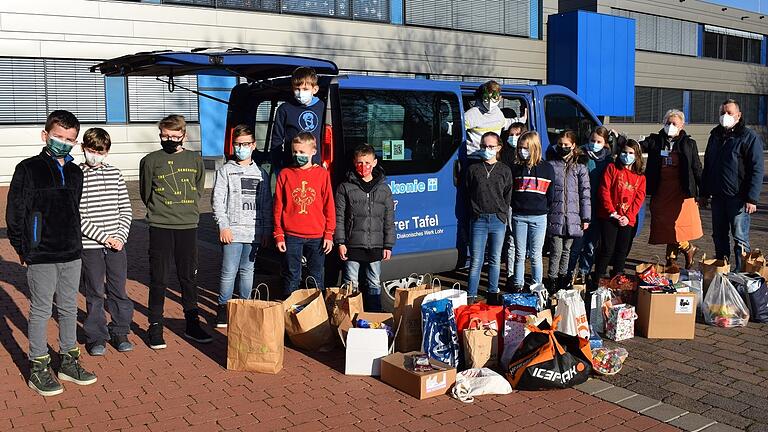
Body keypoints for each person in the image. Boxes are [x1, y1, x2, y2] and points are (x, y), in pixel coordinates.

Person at [6, 110, 97, 396]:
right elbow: (16, 211)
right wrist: (23, 246)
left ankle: (69, 361)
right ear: (46, 135)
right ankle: (38, 366)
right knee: (41, 309)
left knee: (69, 307)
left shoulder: (74, 171)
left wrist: (76, 243)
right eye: (58, 137)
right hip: (41, 253)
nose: (63, 142)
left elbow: (74, 208)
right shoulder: (28, 168)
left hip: (71, 250)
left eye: (70, 139)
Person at [139, 114, 211, 349]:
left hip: (187, 226)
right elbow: (145, 192)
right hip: (160, 225)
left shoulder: (194, 160)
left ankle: (192, 323)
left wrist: (186, 210)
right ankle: (155, 326)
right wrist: (159, 212)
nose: (169, 139)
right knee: (158, 278)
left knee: (188, 277)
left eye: (174, 136)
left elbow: (197, 188)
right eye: (164, 135)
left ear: (183, 135)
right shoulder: (150, 160)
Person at [79, 128, 135, 356]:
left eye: (100, 151)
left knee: (118, 289)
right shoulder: (77, 174)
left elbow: (126, 209)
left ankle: (120, 330)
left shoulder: (115, 174)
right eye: (91, 150)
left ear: (107, 151)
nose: (95, 155)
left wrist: (120, 237)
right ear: (83, 148)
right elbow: (77, 216)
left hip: (116, 246)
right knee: (93, 291)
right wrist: (103, 237)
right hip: (90, 245)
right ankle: (96, 336)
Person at [211, 125, 273, 328]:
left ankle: (244, 305)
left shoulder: (261, 174)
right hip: (232, 231)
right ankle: (223, 307)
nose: (242, 148)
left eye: (246, 144)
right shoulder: (226, 171)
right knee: (229, 271)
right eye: (238, 144)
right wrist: (223, 226)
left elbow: (266, 204)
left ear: (253, 145)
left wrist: (265, 230)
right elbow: (217, 201)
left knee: (248, 271)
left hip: (253, 232)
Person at [700, 99, 765, 271]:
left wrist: (752, 198)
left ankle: (742, 272)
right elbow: (708, 165)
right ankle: (722, 268)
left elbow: (756, 169)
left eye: (729, 113)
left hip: (739, 198)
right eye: (722, 113)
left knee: (740, 237)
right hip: (718, 197)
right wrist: (704, 193)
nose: (725, 116)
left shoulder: (748, 137)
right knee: (719, 236)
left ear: (738, 115)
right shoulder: (715, 136)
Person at [335, 144, 395, 312]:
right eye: (360, 163)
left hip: (376, 245)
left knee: (374, 281)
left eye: (367, 163)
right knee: (351, 282)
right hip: (352, 243)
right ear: (354, 163)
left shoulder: (384, 189)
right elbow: (339, 217)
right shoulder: (345, 187)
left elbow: (389, 219)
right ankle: (349, 315)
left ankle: (373, 315)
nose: (364, 167)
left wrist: (388, 245)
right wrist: (340, 242)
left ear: (374, 163)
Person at [274, 132, 335, 294]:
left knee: (316, 276)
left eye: (302, 152)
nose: (297, 155)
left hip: (317, 235)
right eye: (295, 152)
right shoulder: (285, 174)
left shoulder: (322, 175)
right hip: (292, 235)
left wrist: (329, 233)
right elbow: (278, 206)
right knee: (292, 276)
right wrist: (278, 233)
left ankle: (317, 315)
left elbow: (329, 205)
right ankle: (289, 313)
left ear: (313, 152)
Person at [641, 109, 703, 269]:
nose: (670, 126)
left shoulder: (689, 144)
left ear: (682, 125)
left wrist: (702, 191)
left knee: (676, 226)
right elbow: (637, 147)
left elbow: (696, 167)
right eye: (668, 123)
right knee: (665, 224)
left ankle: (671, 260)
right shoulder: (655, 140)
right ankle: (688, 248)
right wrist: (619, 140)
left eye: (674, 123)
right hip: (661, 190)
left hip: (681, 192)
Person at [464, 132, 513, 304]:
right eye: (484, 146)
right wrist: (474, 212)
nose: (487, 149)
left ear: (499, 147)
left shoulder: (505, 170)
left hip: (497, 220)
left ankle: (492, 293)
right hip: (479, 219)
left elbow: (507, 195)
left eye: (491, 146)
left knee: (495, 258)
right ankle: (471, 295)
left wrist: (502, 215)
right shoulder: (473, 169)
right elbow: (467, 192)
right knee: (476, 259)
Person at [546, 130, 591, 292]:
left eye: (566, 145)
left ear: (573, 145)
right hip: (555, 214)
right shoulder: (551, 164)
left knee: (567, 250)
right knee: (556, 251)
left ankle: (563, 279)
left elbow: (585, 193)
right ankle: (551, 279)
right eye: (560, 145)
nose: (563, 147)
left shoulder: (580, 166)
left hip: (574, 216)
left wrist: (586, 218)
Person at [509, 131, 554, 292]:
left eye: (526, 148)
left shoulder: (547, 168)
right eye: (520, 148)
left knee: (536, 255)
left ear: (534, 147)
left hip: (539, 217)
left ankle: (537, 286)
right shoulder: (515, 167)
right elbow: (511, 191)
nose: (522, 151)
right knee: (520, 254)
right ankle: (518, 285)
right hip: (519, 216)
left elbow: (551, 194)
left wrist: (543, 209)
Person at [594, 140, 646, 278]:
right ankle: (598, 277)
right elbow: (604, 191)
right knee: (607, 249)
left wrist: (628, 216)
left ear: (636, 156)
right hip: (609, 216)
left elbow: (639, 198)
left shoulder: (640, 177)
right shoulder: (612, 168)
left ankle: (617, 277)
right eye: (624, 152)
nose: (627, 155)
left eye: (630, 153)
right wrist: (612, 212)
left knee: (622, 250)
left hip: (627, 218)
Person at [570, 127, 614, 277]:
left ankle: (584, 272)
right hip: (580, 205)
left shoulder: (609, 160)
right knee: (577, 243)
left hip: (598, 206)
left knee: (590, 245)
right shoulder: (581, 155)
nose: (594, 144)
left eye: (598, 141)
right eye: (592, 141)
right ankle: (569, 272)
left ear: (605, 143)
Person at [270, 67, 325, 171]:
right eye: (297, 89)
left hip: (315, 167)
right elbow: (276, 141)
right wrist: (278, 167)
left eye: (305, 89)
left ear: (315, 89)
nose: (300, 93)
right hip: (291, 168)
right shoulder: (285, 109)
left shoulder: (323, 107)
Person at [464, 81, 527, 160]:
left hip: (493, 159)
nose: (490, 102)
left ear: (500, 98)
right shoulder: (471, 114)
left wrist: (522, 119)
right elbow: (458, 131)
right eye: (486, 98)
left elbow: (505, 123)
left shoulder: (498, 113)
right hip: (474, 158)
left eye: (494, 97)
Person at [500, 122, 526, 288]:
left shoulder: (525, 156)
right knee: (511, 240)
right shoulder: (504, 154)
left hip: (522, 204)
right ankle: (511, 276)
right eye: (511, 134)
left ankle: (519, 276)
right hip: (508, 203)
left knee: (520, 243)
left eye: (517, 135)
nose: (513, 138)